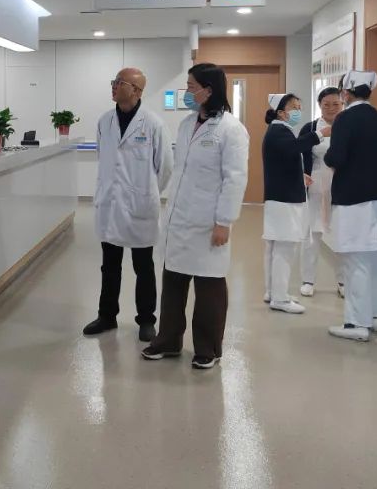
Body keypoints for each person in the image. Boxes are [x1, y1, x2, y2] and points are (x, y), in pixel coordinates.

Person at [142, 63, 249, 370]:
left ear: (208, 90)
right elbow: (181, 171)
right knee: (173, 282)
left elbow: (235, 179)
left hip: (207, 222)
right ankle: (168, 340)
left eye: (191, 87)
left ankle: (208, 348)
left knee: (209, 286)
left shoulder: (231, 129)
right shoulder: (187, 123)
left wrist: (224, 222)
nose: (186, 92)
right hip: (178, 218)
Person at [83, 67, 173, 343]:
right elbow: (104, 158)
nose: (113, 86)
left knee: (143, 267)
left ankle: (146, 320)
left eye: (119, 82)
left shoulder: (153, 124)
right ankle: (107, 316)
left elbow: (165, 167)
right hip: (110, 206)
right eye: (113, 81)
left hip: (139, 208)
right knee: (109, 266)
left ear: (136, 90)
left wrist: (147, 193)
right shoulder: (105, 121)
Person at [324, 70, 377, 342]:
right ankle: (375, 316)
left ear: (346, 93)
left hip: (355, 200)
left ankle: (356, 323)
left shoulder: (345, 119)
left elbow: (336, 157)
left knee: (356, 262)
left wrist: (329, 158)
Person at [262, 93, 329, 314]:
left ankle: (274, 292)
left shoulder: (280, 131)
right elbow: (295, 147)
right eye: (294, 107)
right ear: (281, 112)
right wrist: (320, 134)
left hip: (281, 197)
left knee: (276, 248)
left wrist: (300, 177)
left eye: (300, 107)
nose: (298, 111)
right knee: (284, 248)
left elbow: (284, 161)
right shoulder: (278, 131)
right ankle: (280, 298)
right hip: (284, 200)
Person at [298, 87, 346, 298]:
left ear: (342, 104)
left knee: (341, 234)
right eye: (326, 104)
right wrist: (302, 175)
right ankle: (308, 280)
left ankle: (343, 281)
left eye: (336, 104)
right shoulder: (310, 128)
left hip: (342, 186)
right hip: (315, 185)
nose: (331, 108)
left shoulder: (349, 127)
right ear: (319, 105)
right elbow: (298, 153)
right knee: (312, 235)